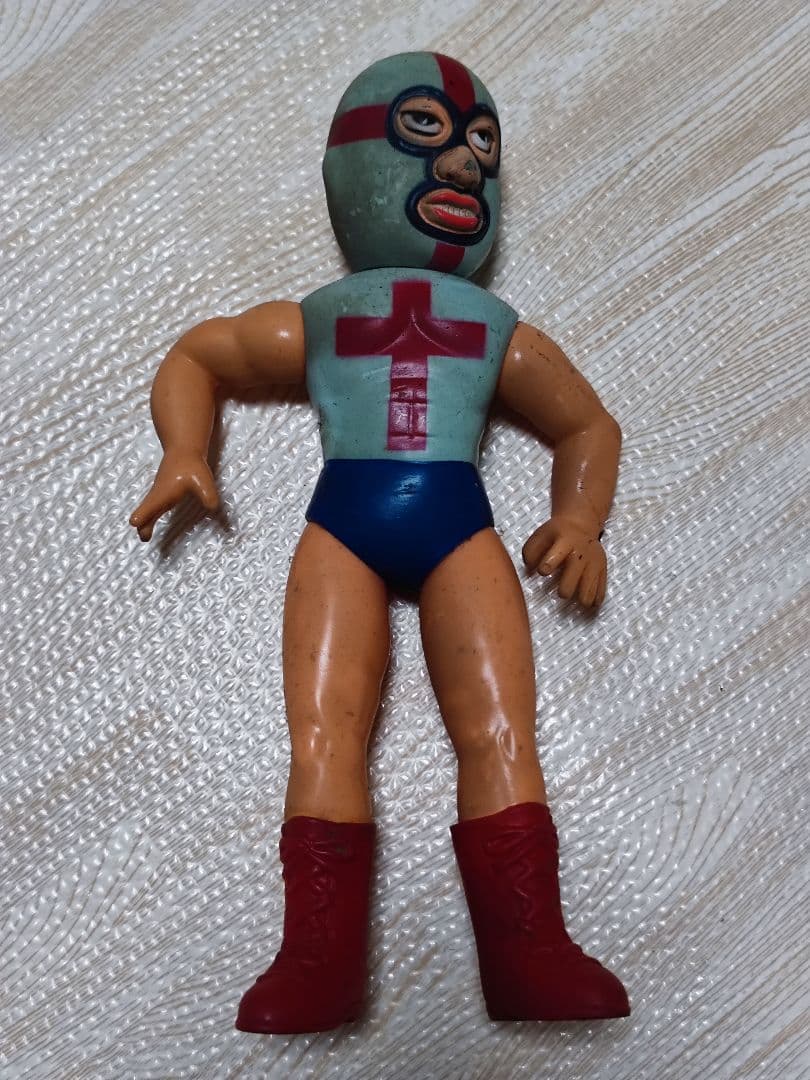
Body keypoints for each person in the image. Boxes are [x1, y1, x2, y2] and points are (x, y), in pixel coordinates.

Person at [131, 52, 629, 1033]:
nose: (462, 166)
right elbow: (198, 355)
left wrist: (578, 520)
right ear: (350, 169)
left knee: (499, 733)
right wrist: (185, 448)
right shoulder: (326, 319)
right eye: (426, 130)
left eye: (481, 144)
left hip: (455, 528)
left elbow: (587, 426)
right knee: (323, 737)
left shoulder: (493, 328)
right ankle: (316, 964)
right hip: (346, 531)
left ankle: (532, 952)